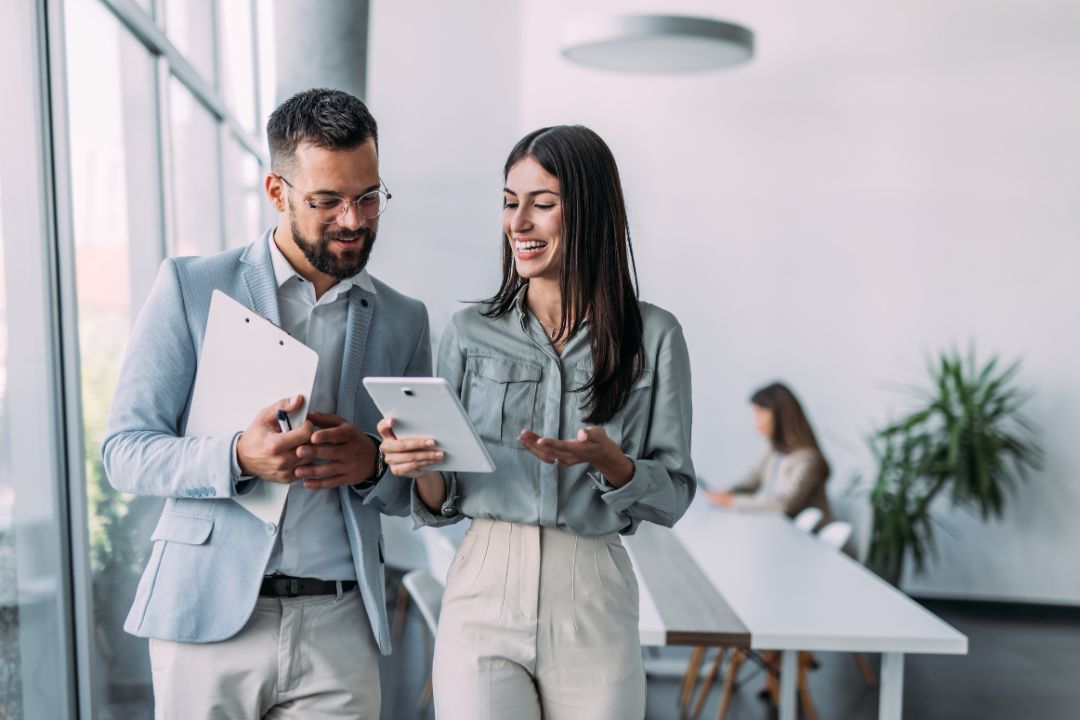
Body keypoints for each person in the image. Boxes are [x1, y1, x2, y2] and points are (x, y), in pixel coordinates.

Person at [102, 88, 430, 719]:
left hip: (340, 626)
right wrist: (237, 456)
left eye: (368, 196)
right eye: (327, 200)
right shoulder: (191, 288)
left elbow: (415, 487)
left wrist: (373, 465)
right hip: (208, 617)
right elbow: (125, 453)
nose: (354, 220)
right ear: (277, 193)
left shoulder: (403, 320)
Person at [379, 125, 696, 720]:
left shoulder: (653, 337)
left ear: (592, 213)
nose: (518, 222)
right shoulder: (470, 333)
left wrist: (613, 465)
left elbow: (674, 495)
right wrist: (415, 465)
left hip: (592, 590)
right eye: (509, 201)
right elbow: (442, 499)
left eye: (542, 204)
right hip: (482, 584)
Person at [705, 382, 832, 524]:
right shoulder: (774, 453)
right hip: (777, 530)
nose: (755, 423)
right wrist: (728, 493)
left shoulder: (809, 460)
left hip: (807, 540)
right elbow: (750, 484)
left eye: (759, 414)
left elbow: (785, 505)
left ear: (780, 415)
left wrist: (731, 501)